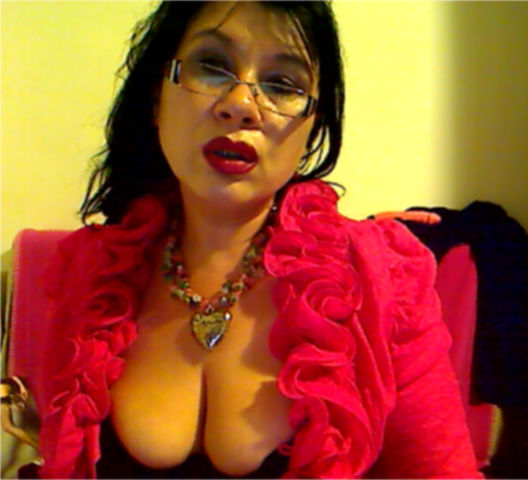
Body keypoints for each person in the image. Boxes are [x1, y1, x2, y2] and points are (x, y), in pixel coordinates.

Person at [4, 1, 483, 478]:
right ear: (157, 96)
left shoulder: (383, 280)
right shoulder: (89, 273)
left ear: (313, 127)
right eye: (212, 66)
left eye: (283, 85)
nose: (240, 104)